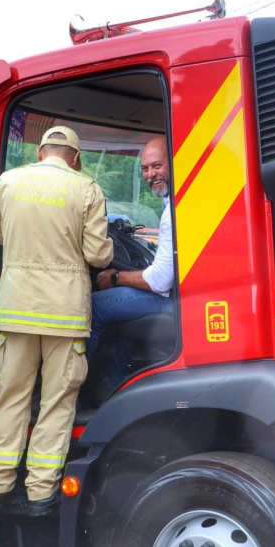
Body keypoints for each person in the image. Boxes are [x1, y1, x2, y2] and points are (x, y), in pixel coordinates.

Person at [0, 126, 113, 516]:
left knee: (11, 397)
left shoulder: (7, 182)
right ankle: (40, 493)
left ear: (40, 152)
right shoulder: (86, 188)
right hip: (64, 314)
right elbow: (98, 255)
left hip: (16, 310)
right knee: (57, 401)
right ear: (75, 157)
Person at [89, 136, 174, 398]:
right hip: (181, 293)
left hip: (175, 299)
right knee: (121, 310)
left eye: (157, 166)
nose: (150, 175)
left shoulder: (174, 211)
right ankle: (112, 385)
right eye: (145, 169)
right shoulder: (173, 202)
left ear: (174, 161)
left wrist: (117, 277)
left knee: (91, 307)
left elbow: (161, 281)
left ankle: (75, 388)